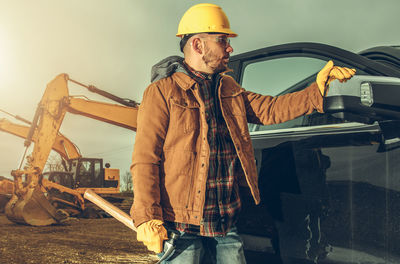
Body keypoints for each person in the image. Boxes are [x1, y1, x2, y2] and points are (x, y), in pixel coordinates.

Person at [130, 3, 355, 264]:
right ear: (198, 45)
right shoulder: (162, 92)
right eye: (222, 40)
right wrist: (147, 216)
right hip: (182, 226)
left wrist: (317, 89)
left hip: (226, 223)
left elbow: (270, 109)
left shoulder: (229, 88)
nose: (230, 48)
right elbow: (145, 158)